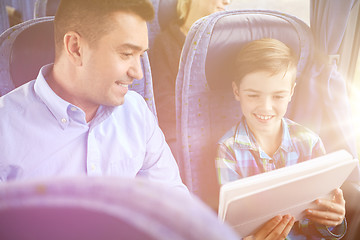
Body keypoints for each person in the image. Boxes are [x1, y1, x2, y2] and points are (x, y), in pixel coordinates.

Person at [0, 0, 187, 193]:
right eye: (126, 54)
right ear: (75, 48)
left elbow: (176, 205)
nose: (138, 74)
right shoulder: (5, 131)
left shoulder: (136, 112)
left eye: (139, 56)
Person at [216, 38, 347, 239]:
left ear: (291, 93)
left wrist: (333, 219)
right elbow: (233, 225)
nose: (266, 107)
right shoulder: (228, 150)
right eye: (253, 95)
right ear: (237, 91)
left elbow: (319, 217)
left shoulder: (309, 143)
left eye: (277, 96)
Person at [149, 0, 231, 154]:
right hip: (183, 131)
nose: (226, 2)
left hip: (222, 127)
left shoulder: (225, 41)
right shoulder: (165, 42)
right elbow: (163, 103)